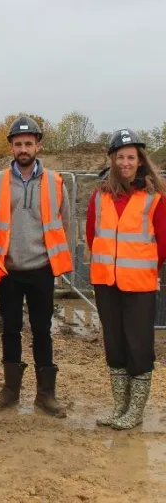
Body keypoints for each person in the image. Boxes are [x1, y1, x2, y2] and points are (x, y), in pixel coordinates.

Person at [0, 116, 72, 418]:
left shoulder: (55, 181)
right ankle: (10, 391)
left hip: (41, 269)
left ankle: (45, 394)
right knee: (10, 329)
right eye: (18, 144)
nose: (23, 149)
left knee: (42, 330)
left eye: (28, 143)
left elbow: (66, 225)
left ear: (38, 145)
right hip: (8, 269)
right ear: (11, 147)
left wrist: (62, 266)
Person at [86, 128, 166, 430]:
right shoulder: (99, 196)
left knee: (139, 346)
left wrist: (142, 268)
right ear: (112, 159)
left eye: (130, 157)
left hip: (139, 284)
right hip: (106, 281)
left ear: (140, 160)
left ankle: (135, 410)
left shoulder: (154, 199)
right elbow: (92, 236)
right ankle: (120, 406)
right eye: (120, 157)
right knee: (115, 344)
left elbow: (162, 243)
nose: (125, 162)